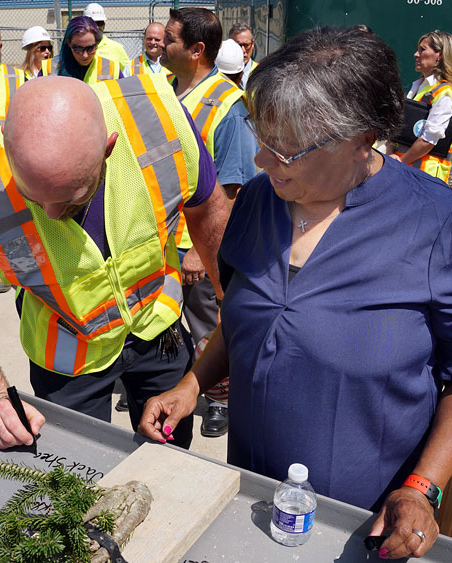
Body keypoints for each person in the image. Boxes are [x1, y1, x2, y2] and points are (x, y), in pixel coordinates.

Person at [140, 26, 452, 560]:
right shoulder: (257, 202)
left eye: (287, 149)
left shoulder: (435, 222)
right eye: (259, 137)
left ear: (362, 135)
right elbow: (249, 315)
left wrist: (423, 487)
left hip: (361, 518)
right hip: (251, 493)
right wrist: (192, 384)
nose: (262, 162)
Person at [0, 74, 229, 452]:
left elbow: (209, 206)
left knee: (168, 455)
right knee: (77, 469)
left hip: (157, 329)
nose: (51, 216)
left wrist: (229, 304)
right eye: (31, 196)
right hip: (67, 362)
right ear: (7, 144)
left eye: (72, 196)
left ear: (108, 148)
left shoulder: (160, 120)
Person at [164, 6, 258, 438]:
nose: (161, 44)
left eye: (170, 39)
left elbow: (233, 188)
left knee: (209, 328)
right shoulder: (166, 90)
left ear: (197, 49)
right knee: (169, 321)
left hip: (197, 246)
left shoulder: (227, 105)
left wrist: (205, 253)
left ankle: (219, 399)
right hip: (164, 240)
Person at [388, 30, 452, 183]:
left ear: (439, 55)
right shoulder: (419, 87)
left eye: (423, 49)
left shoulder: (444, 94)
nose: (416, 54)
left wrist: (400, 162)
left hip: (424, 179)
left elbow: (428, 140)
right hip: (405, 172)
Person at [39, 16, 121, 84]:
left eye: (90, 48)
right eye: (78, 48)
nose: (85, 55)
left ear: (97, 43)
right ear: (69, 43)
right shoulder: (49, 69)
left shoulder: (112, 70)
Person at [83, 2, 131, 73]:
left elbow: (128, 73)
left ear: (104, 25)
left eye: (99, 23)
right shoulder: (77, 48)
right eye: (92, 23)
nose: (96, 27)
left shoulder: (116, 48)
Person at [229, 23, 258, 89]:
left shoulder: (261, 72)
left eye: (246, 45)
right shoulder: (220, 73)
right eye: (238, 45)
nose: (243, 50)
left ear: (252, 44)